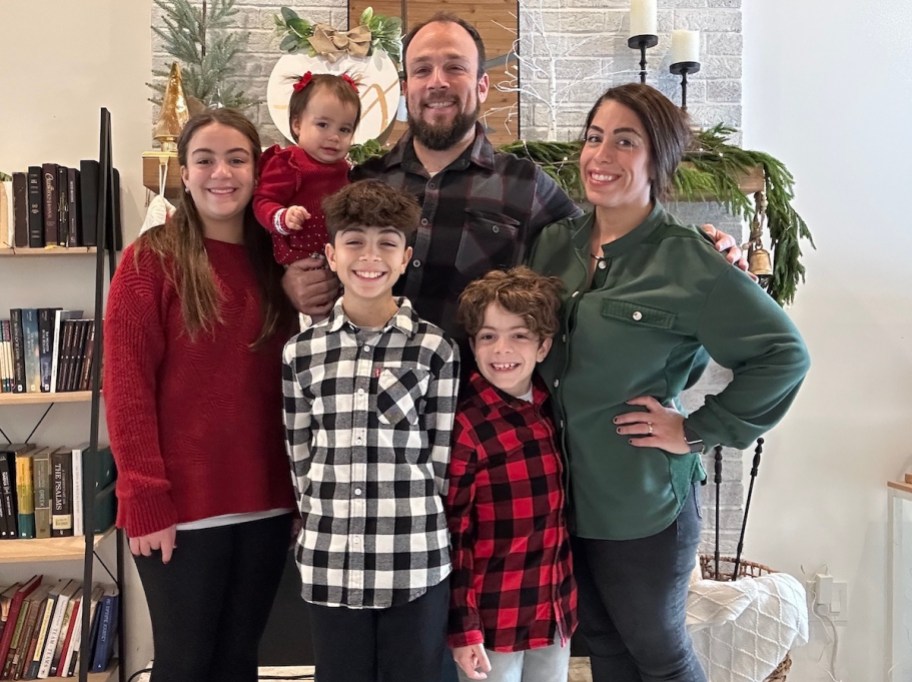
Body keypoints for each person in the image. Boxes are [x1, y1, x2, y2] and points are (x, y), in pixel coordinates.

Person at [527, 83, 811, 682]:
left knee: (658, 653)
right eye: (594, 137)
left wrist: (698, 429)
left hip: (642, 502)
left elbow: (783, 354)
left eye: (624, 141)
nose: (601, 155)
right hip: (562, 497)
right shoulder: (554, 246)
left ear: (658, 161)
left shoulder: (690, 261)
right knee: (603, 645)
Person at [282, 13, 744, 348]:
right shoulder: (362, 182)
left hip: (482, 429)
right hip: (375, 424)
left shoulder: (527, 186)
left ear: (482, 86)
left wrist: (695, 251)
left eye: (455, 67)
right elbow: (307, 252)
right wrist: (291, 284)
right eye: (422, 69)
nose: (437, 82)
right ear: (406, 88)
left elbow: (607, 250)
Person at [103, 108, 298, 682]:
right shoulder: (150, 262)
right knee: (186, 665)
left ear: (257, 172)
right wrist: (144, 496)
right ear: (183, 173)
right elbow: (127, 389)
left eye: (237, 159)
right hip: (181, 511)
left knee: (240, 662)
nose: (221, 173)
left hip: (266, 502)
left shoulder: (275, 265)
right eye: (204, 160)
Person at [282, 179, 460, 682]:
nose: (370, 255)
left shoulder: (435, 349)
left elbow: (440, 457)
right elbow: (300, 452)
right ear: (331, 255)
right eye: (354, 240)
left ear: (405, 258)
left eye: (386, 242)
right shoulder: (302, 352)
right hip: (331, 559)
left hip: (413, 558)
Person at [447, 266, 577, 682]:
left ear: (543, 346)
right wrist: (463, 628)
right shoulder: (466, 425)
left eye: (519, 335)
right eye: (488, 336)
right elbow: (454, 537)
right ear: (474, 344)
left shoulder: (550, 407)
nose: (502, 349)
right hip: (493, 622)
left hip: (553, 610)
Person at [253, 71, 361, 265]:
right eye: (323, 124)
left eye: (344, 129)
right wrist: (283, 217)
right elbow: (263, 200)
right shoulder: (290, 162)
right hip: (297, 255)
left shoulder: (344, 168)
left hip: (335, 256)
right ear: (297, 124)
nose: (334, 137)